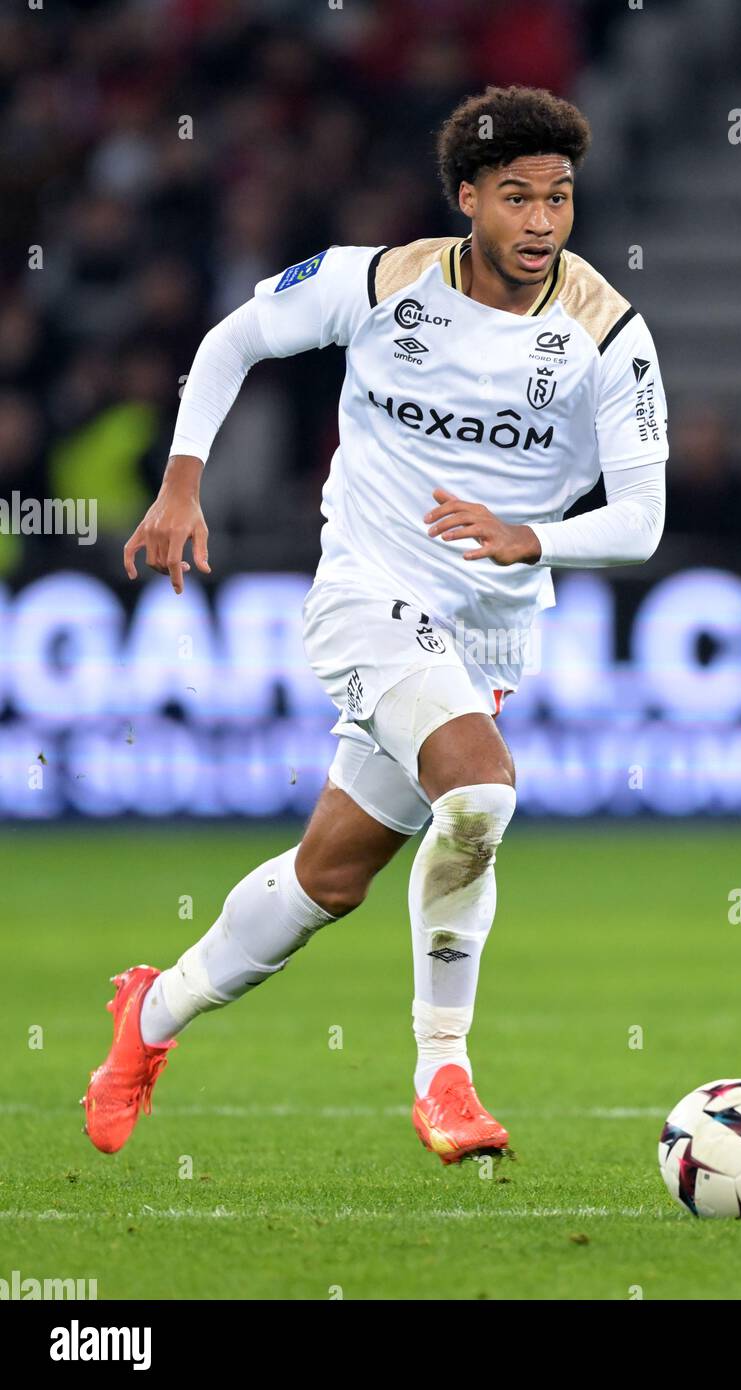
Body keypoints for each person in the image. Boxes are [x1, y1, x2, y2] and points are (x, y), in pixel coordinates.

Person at [83, 84, 668, 1165]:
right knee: (482, 788)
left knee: (327, 880)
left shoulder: (605, 335)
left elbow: (640, 520)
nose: (541, 222)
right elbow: (230, 341)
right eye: (515, 198)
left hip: (484, 633)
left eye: (559, 199)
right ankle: (442, 1072)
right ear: (466, 199)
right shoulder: (379, 280)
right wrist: (179, 483)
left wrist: (528, 538)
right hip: (365, 594)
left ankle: (147, 1014)